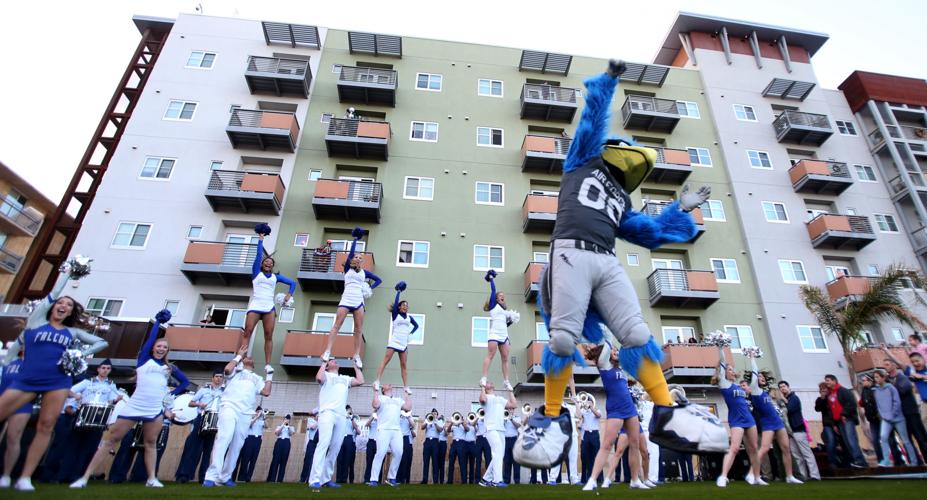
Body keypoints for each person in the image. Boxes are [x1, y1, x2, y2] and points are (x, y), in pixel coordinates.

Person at [516, 60, 720, 469]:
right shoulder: (582, 162)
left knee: (638, 333)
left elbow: (648, 233)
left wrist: (681, 208)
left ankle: (666, 410)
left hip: (606, 260)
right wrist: (607, 83)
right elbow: (591, 122)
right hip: (571, 252)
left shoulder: (622, 202)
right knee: (561, 339)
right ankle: (553, 417)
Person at [0, 275, 108, 492]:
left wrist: (80, 353)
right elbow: (51, 295)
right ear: (52, 307)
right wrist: (68, 274)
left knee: (46, 426)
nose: (63, 306)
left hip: (58, 379)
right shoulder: (35, 323)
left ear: (70, 312)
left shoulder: (72, 332)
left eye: (68, 305)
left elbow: (102, 342)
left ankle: (25, 478)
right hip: (27, 378)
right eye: (60, 303)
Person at [70, 310, 187, 489]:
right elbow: (149, 341)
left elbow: (184, 382)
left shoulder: (169, 367)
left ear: (167, 351)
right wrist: (157, 323)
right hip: (135, 404)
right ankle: (84, 477)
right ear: (154, 348)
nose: (161, 349)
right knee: (111, 439)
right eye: (159, 346)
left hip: (154, 407)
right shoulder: (143, 360)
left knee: (150, 443)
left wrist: (171, 394)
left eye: (165, 347)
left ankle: (151, 478)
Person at [202, 345, 273, 487]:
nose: (249, 358)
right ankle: (211, 476)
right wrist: (239, 356)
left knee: (237, 445)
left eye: (251, 358)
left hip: (246, 413)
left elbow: (266, 392)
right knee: (224, 438)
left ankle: (225, 477)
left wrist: (270, 375)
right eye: (247, 357)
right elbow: (227, 370)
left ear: (253, 364)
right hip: (229, 406)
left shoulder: (257, 378)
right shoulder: (236, 371)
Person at [581, 345, 649, 491]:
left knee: (635, 445)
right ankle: (592, 480)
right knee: (607, 444)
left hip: (630, 409)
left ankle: (635, 479)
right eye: (614, 351)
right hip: (615, 409)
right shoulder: (604, 365)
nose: (617, 352)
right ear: (606, 355)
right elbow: (607, 344)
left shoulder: (620, 368)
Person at [321, 227, 382, 368]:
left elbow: (379, 280)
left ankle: (356, 355)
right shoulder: (347, 267)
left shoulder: (365, 272)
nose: (358, 258)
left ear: (362, 261)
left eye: (361, 258)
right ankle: (327, 350)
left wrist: (368, 289)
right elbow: (351, 253)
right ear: (353, 258)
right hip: (346, 299)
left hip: (359, 301)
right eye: (356, 257)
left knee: (358, 329)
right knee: (337, 325)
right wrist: (355, 240)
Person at [239, 228, 296, 374]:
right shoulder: (256, 273)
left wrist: (289, 295)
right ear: (262, 264)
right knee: (248, 332)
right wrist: (261, 239)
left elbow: (292, 283)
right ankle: (241, 360)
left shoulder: (276, 277)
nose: (268, 263)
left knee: (268, 335)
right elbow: (258, 255)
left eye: (271, 262)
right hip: (256, 305)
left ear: (273, 265)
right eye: (266, 261)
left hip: (269, 307)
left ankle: (268, 364)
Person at [744, 357, 802, 484]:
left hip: (778, 422)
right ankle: (751, 474)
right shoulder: (755, 390)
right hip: (768, 423)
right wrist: (753, 358)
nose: (762, 378)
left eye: (763, 377)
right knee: (764, 449)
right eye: (759, 377)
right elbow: (754, 372)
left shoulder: (766, 392)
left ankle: (790, 476)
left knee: (786, 448)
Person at [61, 360, 121, 483]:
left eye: (108, 368)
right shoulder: (88, 382)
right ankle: (63, 475)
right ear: (98, 369)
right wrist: (74, 401)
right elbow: (70, 391)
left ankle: (78, 476)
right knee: (73, 446)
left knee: (89, 448)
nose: (105, 370)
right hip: (82, 415)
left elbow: (110, 402)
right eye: (103, 367)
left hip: (98, 418)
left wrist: (116, 400)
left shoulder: (111, 385)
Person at [308, 358, 364, 489]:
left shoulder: (344, 378)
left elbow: (360, 381)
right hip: (327, 412)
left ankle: (325, 479)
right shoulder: (325, 375)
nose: (335, 361)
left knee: (335, 447)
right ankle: (314, 479)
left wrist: (357, 367)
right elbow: (319, 378)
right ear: (327, 366)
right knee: (323, 444)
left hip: (341, 415)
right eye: (331, 361)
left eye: (335, 360)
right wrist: (324, 362)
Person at [713, 348, 761, 487]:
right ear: (724, 372)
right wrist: (720, 347)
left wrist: (752, 358)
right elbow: (722, 362)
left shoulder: (738, 386)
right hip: (736, 420)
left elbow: (755, 376)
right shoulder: (724, 384)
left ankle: (755, 476)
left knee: (753, 449)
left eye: (732, 369)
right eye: (729, 369)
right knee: (734, 448)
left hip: (749, 419)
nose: (732, 371)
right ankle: (723, 477)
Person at [175, 369, 224, 483]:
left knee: (208, 450)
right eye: (216, 376)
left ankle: (203, 477)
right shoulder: (203, 390)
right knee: (193, 448)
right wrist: (199, 404)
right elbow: (190, 403)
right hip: (202, 417)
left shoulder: (225, 392)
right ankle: (184, 475)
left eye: (221, 377)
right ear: (212, 378)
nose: (218, 379)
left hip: (215, 420)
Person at [883, 346, 927, 463]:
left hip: (912, 410)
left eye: (917, 361)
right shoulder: (911, 372)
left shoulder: (907, 377)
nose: (915, 363)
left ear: (923, 360)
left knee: (921, 436)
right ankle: (920, 462)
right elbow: (899, 363)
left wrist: (922, 377)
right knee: (919, 436)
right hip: (921, 406)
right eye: (913, 362)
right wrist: (886, 351)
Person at [373, 282, 418, 395]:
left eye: (407, 306)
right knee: (385, 361)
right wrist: (398, 291)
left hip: (403, 343)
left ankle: (406, 386)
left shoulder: (409, 317)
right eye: (403, 305)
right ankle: (377, 380)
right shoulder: (395, 314)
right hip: (394, 341)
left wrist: (411, 333)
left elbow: (417, 326)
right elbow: (397, 301)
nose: (405, 307)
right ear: (399, 307)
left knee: (403, 365)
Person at [871, 369, 918, 467]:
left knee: (905, 440)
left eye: (877, 377)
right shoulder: (875, 391)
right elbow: (879, 405)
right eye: (874, 377)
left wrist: (893, 414)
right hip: (885, 419)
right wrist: (883, 415)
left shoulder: (891, 388)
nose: (876, 379)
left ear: (883, 377)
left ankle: (914, 462)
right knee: (883, 437)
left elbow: (897, 402)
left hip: (898, 418)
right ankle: (886, 460)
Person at [480, 271, 518, 390]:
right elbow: (493, 290)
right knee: (490, 355)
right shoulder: (493, 306)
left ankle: (506, 381)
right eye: (500, 295)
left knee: (505, 358)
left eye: (503, 296)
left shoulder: (505, 312)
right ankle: (484, 377)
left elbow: (506, 325)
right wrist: (491, 279)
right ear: (496, 298)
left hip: (504, 335)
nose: (502, 296)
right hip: (494, 333)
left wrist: (511, 320)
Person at [367, 384, 411, 486]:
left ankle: (392, 478)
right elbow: (375, 405)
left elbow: (408, 408)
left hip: (396, 430)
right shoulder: (380, 397)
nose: (390, 384)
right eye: (386, 384)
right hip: (383, 429)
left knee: (399, 452)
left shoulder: (398, 399)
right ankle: (373, 479)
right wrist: (375, 391)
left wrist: (407, 394)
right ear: (383, 389)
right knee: (380, 453)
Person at [0, 349, 32, 487]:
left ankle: (6, 475)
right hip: (3, 400)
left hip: (22, 404)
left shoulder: (35, 365)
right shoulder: (9, 361)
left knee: (13, 438)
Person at [778, 380, 821, 480]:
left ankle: (815, 475)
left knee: (806, 453)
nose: (782, 388)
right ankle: (803, 475)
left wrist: (783, 401)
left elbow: (789, 410)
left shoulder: (794, 398)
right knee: (796, 455)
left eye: (784, 386)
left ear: (788, 387)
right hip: (790, 431)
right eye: (780, 387)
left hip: (798, 429)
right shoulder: (786, 399)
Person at [478, 382, 516, 487]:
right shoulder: (485, 397)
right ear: (486, 387)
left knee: (499, 455)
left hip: (501, 429)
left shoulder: (500, 399)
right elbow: (482, 400)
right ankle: (497, 481)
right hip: (491, 428)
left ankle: (485, 479)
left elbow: (513, 405)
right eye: (487, 382)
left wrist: (510, 391)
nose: (489, 382)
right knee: (497, 452)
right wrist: (482, 387)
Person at [824, 374, 867, 468]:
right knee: (846, 441)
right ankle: (854, 460)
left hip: (847, 419)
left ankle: (860, 461)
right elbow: (831, 409)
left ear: (834, 381)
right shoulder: (830, 394)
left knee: (852, 440)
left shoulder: (843, 391)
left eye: (828, 380)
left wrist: (844, 414)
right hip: (838, 421)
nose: (826, 382)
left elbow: (851, 403)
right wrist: (834, 423)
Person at [39, 397, 79, 483]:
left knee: (68, 449)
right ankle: (48, 476)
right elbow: (68, 408)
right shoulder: (82, 386)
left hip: (71, 418)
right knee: (59, 448)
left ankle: (61, 475)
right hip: (66, 417)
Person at [235, 407, 266, 482]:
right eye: (258, 411)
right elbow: (249, 425)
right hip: (249, 439)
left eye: (260, 412)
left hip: (258, 440)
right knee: (246, 458)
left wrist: (264, 417)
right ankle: (241, 477)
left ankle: (248, 477)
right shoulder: (251, 419)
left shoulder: (262, 421)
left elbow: (267, 426)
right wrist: (257, 416)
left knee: (253, 459)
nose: (260, 413)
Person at [578, 395, 602, 483]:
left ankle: (599, 478)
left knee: (597, 456)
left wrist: (591, 407)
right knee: (585, 457)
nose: (587, 403)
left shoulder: (597, 410)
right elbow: (578, 415)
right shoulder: (583, 411)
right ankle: (585, 479)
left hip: (594, 434)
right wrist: (578, 404)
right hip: (586, 435)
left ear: (592, 402)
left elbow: (598, 415)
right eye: (586, 402)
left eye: (589, 401)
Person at [267, 414, 295, 482]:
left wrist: (288, 427)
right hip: (279, 442)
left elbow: (291, 434)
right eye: (286, 419)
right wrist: (283, 425)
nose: (287, 420)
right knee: (276, 460)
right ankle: (272, 479)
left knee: (284, 461)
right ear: (284, 419)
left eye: (288, 419)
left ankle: (280, 479)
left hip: (287, 442)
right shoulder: (279, 426)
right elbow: (277, 433)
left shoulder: (291, 427)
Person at [336, 409, 360, 483]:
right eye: (347, 411)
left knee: (347, 459)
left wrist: (351, 418)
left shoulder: (352, 420)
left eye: (349, 411)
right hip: (340, 437)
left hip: (349, 438)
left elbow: (357, 430)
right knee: (339, 459)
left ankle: (344, 479)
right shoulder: (341, 418)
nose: (348, 413)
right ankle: (338, 478)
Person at [446, 413, 469, 483]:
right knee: (451, 462)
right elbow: (448, 430)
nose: (458, 419)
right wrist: (451, 423)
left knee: (462, 462)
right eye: (457, 418)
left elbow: (467, 429)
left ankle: (464, 481)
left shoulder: (464, 425)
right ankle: (449, 480)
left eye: (459, 418)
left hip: (462, 443)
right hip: (454, 443)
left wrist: (462, 423)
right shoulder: (453, 426)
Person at [420, 409, 441, 484]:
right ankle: (425, 479)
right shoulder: (427, 420)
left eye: (435, 414)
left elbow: (440, 430)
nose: (434, 415)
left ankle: (435, 480)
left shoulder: (438, 422)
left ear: (437, 415)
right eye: (433, 414)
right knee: (426, 461)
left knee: (435, 461)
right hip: (427, 441)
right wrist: (427, 422)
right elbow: (422, 428)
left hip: (435, 442)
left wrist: (435, 422)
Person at [502, 410, 521, 485]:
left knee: (516, 461)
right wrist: (505, 420)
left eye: (511, 409)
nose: (510, 411)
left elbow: (518, 426)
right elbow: (501, 426)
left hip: (514, 440)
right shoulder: (503, 417)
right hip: (506, 440)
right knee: (506, 461)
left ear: (513, 410)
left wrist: (511, 419)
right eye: (509, 409)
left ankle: (517, 481)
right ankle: (506, 480)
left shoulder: (517, 417)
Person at [300, 409, 319, 483]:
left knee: (315, 462)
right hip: (311, 442)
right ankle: (303, 478)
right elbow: (312, 427)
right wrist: (319, 421)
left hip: (318, 443)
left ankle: (310, 479)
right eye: (317, 414)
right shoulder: (311, 420)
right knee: (308, 460)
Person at [397, 411, 415, 483]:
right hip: (398, 437)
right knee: (398, 458)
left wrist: (408, 416)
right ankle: (397, 478)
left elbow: (413, 426)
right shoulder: (398, 417)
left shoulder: (410, 418)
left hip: (406, 438)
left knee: (405, 460)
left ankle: (403, 479)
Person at [436, 415, 448, 484]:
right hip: (437, 443)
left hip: (443, 443)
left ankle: (441, 480)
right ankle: (436, 480)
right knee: (436, 462)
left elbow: (446, 434)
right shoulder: (436, 426)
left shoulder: (445, 427)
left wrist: (444, 427)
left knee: (442, 462)